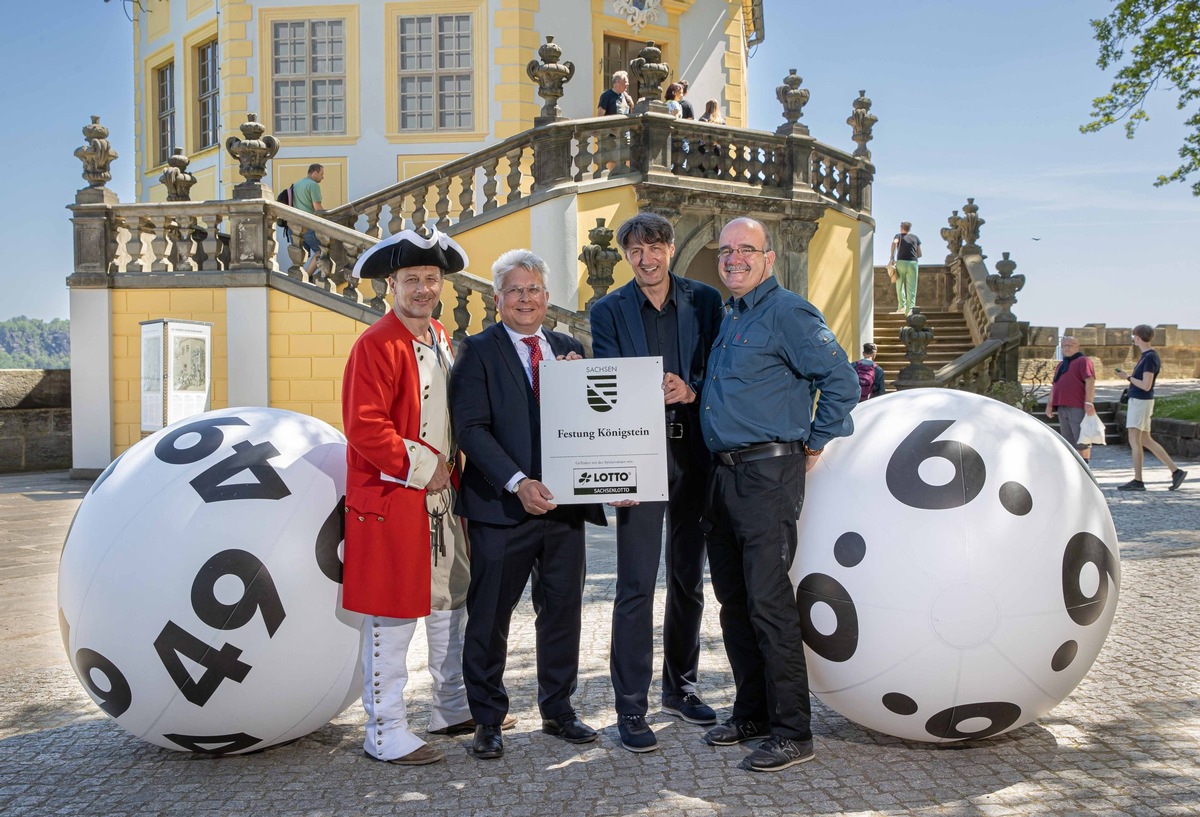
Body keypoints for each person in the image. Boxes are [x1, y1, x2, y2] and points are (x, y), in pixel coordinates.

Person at [341, 227, 508, 767]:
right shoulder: (375, 344)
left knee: (447, 604)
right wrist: (424, 466)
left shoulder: (439, 334)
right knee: (393, 619)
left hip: (438, 502)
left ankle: (450, 705)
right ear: (391, 283)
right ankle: (385, 730)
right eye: (411, 279)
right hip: (393, 500)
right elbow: (364, 428)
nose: (422, 288)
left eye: (431, 279)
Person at [699, 217, 858, 773]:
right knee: (735, 602)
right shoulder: (732, 316)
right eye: (725, 250)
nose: (733, 258)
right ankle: (753, 714)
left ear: (769, 258)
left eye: (746, 250)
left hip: (768, 475)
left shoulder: (788, 312)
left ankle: (793, 730)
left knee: (769, 602)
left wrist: (813, 444)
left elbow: (839, 381)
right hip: (724, 477)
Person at [449, 250, 607, 760]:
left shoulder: (567, 348)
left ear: (546, 297)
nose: (525, 299)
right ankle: (488, 719)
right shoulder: (475, 351)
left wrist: (615, 477)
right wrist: (518, 482)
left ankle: (559, 711)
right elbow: (470, 428)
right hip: (501, 508)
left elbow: (597, 423)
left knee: (561, 612)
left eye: (533, 289)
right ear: (498, 299)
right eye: (514, 290)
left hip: (564, 510)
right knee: (490, 615)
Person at [589, 213, 724, 753]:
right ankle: (630, 707)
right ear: (625, 256)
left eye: (655, 247)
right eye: (635, 250)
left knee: (689, 579)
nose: (646, 259)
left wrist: (689, 389)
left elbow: (719, 368)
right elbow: (605, 384)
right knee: (635, 584)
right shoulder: (607, 310)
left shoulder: (706, 302)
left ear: (670, 248)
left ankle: (681, 688)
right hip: (638, 454)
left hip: (693, 452)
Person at [1116, 324, 1187, 491]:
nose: (1133, 339)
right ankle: (1176, 471)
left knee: (1134, 439)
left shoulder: (1149, 358)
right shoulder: (1147, 356)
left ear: (1138, 337)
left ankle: (1138, 480)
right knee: (1145, 439)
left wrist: (1127, 377)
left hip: (1141, 401)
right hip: (1141, 401)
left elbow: (1146, 385)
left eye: (1134, 336)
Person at [1045, 336, 1098, 465]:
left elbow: (1090, 380)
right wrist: (1049, 405)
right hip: (1062, 406)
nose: (1066, 348)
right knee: (1068, 439)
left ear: (1077, 346)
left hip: (1077, 405)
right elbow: (1055, 385)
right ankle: (1074, 466)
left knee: (1082, 438)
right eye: (1064, 346)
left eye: (1070, 345)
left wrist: (1089, 402)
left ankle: (1085, 465)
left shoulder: (1083, 361)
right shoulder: (1061, 365)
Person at [292, 163, 325, 278]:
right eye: (321, 174)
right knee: (322, 251)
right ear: (315, 173)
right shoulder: (313, 185)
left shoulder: (297, 184)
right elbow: (317, 208)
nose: (323, 177)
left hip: (295, 226)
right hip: (309, 226)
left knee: (300, 256)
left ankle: (296, 276)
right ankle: (306, 276)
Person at [888, 221, 921, 315]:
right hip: (913, 263)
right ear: (909, 228)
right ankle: (910, 309)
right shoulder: (916, 238)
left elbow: (894, 244)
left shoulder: (898, 236)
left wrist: (892, 257)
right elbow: (919, 253)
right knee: (912, 287)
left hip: (901, 262)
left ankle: (902, 306)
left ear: (901, 227)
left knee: (899, 284)